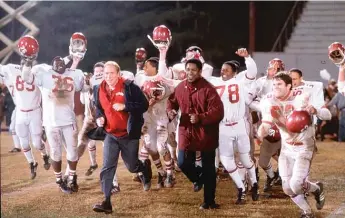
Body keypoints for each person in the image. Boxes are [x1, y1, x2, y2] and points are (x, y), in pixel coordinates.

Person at [258, 72, 330, 218]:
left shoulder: (301, 99)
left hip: (304, 147)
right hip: (287, 149)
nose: (275, 87)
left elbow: (327, 115)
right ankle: (308, 210)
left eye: (279, 84)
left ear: (289, 86)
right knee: (287, 187)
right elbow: (265, 124)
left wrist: (315, 110)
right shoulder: (269, 102)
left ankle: (316, 189)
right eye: (274, 84)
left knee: (296, 184)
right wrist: (261, 132)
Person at [91, 61, 151, 214]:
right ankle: (106, 201)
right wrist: (99, 117)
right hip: (110, 134)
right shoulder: (98, 88)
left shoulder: (130, 86)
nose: (108, 76)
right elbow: (98, 107)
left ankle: (144, 167)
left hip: (128, 134)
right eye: (106, 73)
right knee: (107, 167)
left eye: (111, 73)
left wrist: (126, 106)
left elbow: (144, 105)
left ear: (118, 74)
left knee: (132, 167)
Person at [21, 56, 88, 193]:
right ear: (51, 66)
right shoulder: (45, 75)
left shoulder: (72, 74)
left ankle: (72, 177)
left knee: (72, 151)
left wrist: (86, 80)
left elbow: (83, 87)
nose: (59, 65)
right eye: (56, 63)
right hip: (51, 123)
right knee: (55, 153)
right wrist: (28, 62)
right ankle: (59, 180)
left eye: (62, 62)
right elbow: (26, 77)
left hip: (69, 121)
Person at [167, 59, 224, 209]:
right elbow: (172, 101)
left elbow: (218, 112)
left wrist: (201, 117)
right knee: (182, 162)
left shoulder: (208, 89)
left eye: (193, 70)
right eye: (188, 69)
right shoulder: (180, 87)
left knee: (208, 166)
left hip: (206, 132)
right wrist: (171, 111)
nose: (190, 73)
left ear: (199, 71)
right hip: (186, 130)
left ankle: (209, 202)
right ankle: (198, 178)